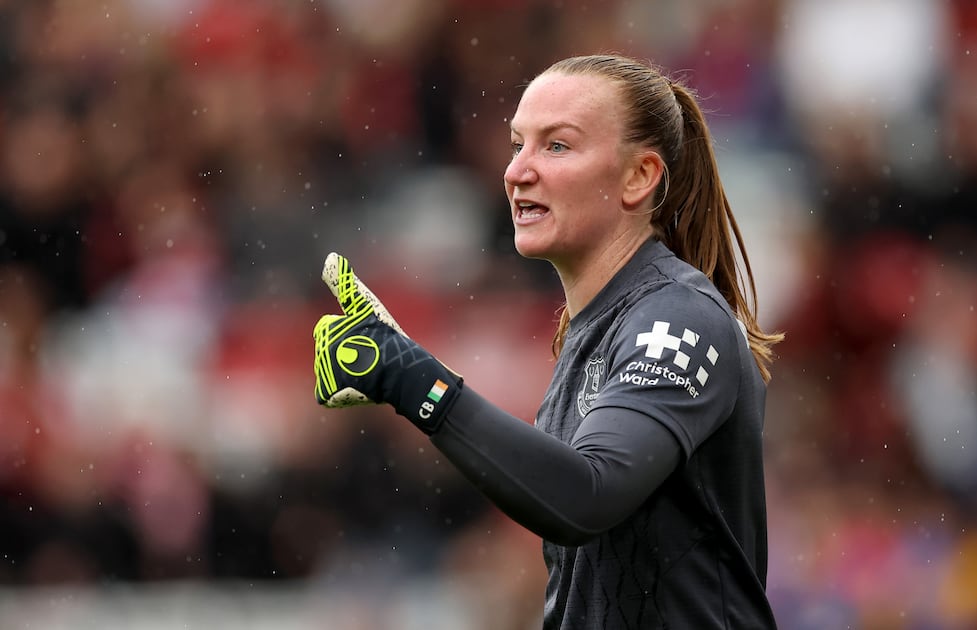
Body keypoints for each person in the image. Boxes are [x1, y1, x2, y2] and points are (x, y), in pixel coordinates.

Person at [313, 53, 783, 629]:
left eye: (556, 146)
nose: (517, 171)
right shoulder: (594, 330)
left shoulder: (679, 320)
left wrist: (415, 380)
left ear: (640, 176)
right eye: (517, 145)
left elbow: (586, 497)